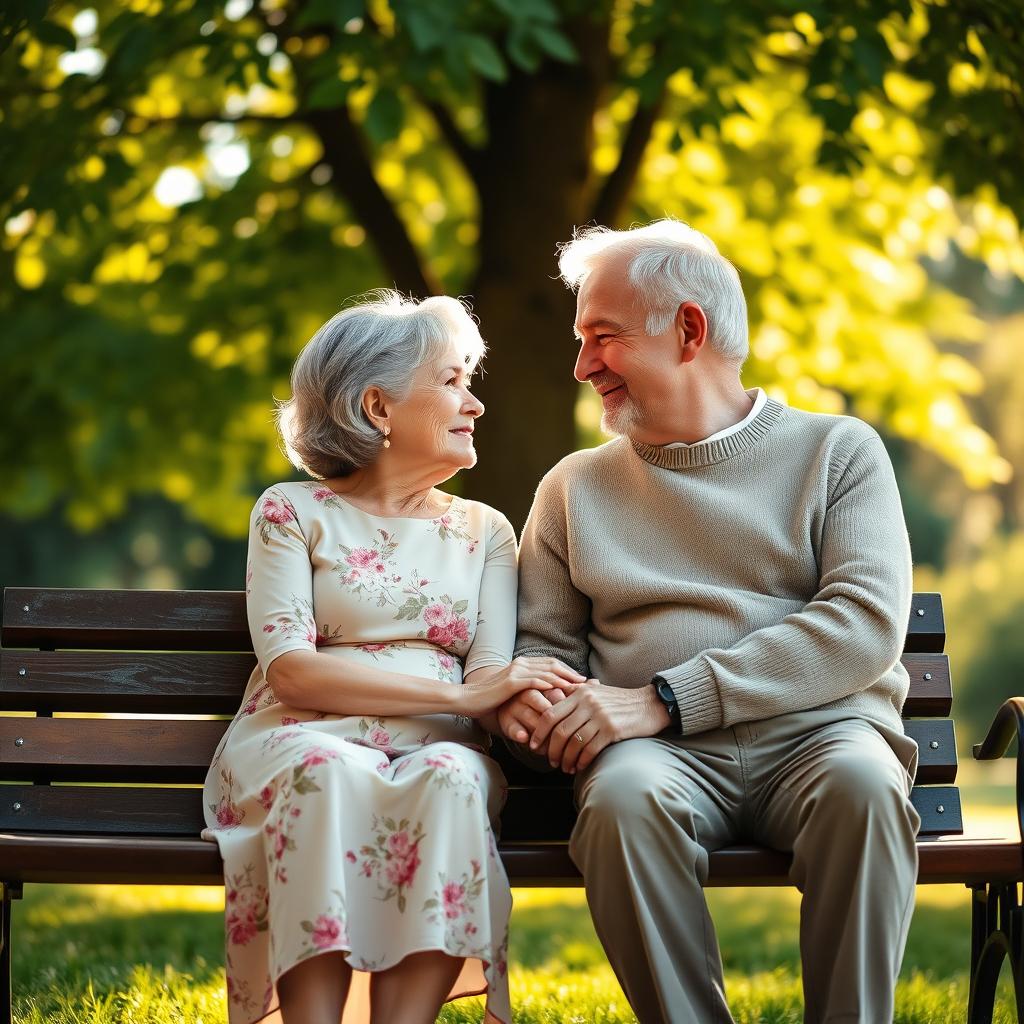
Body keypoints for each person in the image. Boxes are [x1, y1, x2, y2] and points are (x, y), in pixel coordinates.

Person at [499, 220, 922, 1024]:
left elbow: (864, 624)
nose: (582, 365)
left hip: (820, 737)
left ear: (688, 330)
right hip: (652, 759)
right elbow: (544, 648)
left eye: (603, 337)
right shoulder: (571, 488)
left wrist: (665, 697)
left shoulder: (838, 451)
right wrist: (539, 702)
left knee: (866, 791)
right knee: (622, 804)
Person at [202, 290, 584, 1024]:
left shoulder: (487, 531)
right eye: (451, 381)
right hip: (299, 743)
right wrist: (471, 699)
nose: (473, 404)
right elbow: (292, 671)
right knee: (328, 772)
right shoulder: (291, 512)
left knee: (452, 778)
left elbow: (490, 669)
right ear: (378, 407)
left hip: (434, 747)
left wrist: (527, 702)